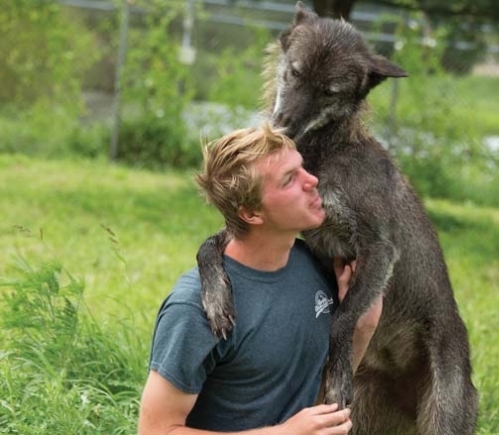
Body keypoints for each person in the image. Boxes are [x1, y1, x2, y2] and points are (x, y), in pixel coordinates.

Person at [138, 124, 383, 434]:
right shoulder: (194, 308)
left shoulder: (317, 269)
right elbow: (155, 431)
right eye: (289, 179)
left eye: (302, 168)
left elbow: (314, 407)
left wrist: (360, 327)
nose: (313, 181)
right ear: (251, 213)